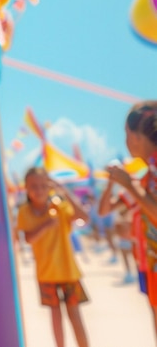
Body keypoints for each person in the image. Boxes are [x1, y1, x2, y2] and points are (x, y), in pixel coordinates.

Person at [16, 167, 90, 347]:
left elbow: (84, 217)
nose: (39, 190)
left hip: (68, 271)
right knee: (55, 316)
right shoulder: (24, 211)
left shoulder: (60, 205)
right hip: (46, 273)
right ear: (26, 187)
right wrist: (47, 225)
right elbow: (28, 238)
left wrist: (64, 191)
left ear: (49, 186)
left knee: (75, 315)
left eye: (43, 185)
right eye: (34, 186)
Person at [106, 100, 157, 340]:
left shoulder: (151, 171)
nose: (126, 141)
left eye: (127, 134)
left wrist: (128, 184)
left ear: (138, 136)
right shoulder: (149, 172)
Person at [98, 181, 139, 284]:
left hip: (139, 239)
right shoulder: (131, 192)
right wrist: (110, 184)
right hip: (129, 235)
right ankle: (130, 273)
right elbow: (103, 211)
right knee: (127, 254)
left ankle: (131, 273)